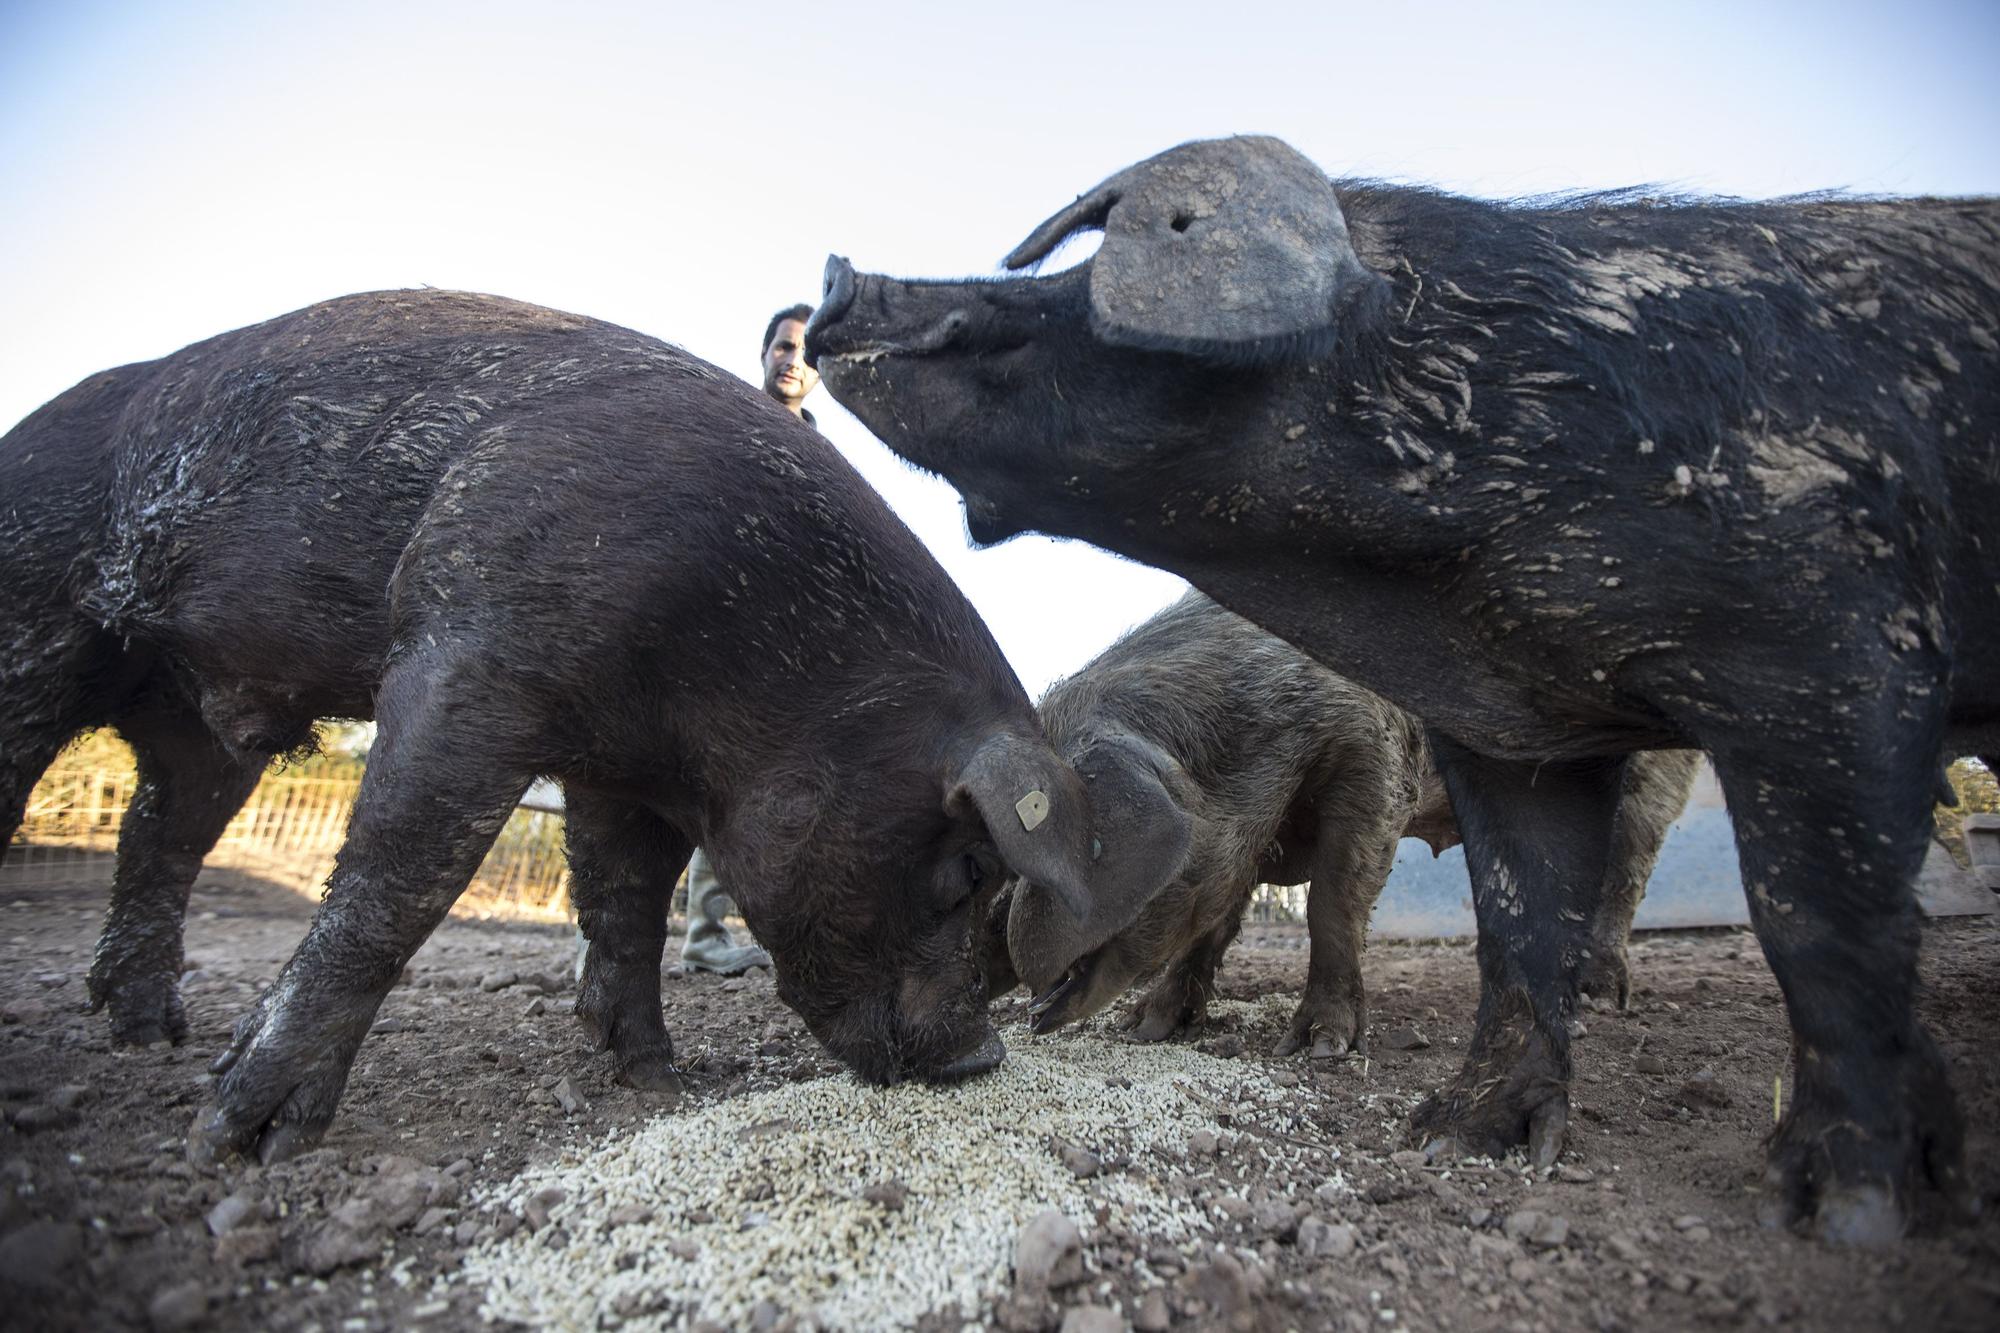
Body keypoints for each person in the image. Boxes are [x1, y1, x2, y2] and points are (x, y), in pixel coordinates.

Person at [677, 304, 821, 974]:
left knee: (728, 788)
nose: (794, 360)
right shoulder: (723, 422)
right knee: (645, 779)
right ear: (764, 354)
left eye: (808, 352)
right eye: (784, 346)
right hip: (700, 630)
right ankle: (606, 945)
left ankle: (704, 937)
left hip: (772, 654)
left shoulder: (823, 461)